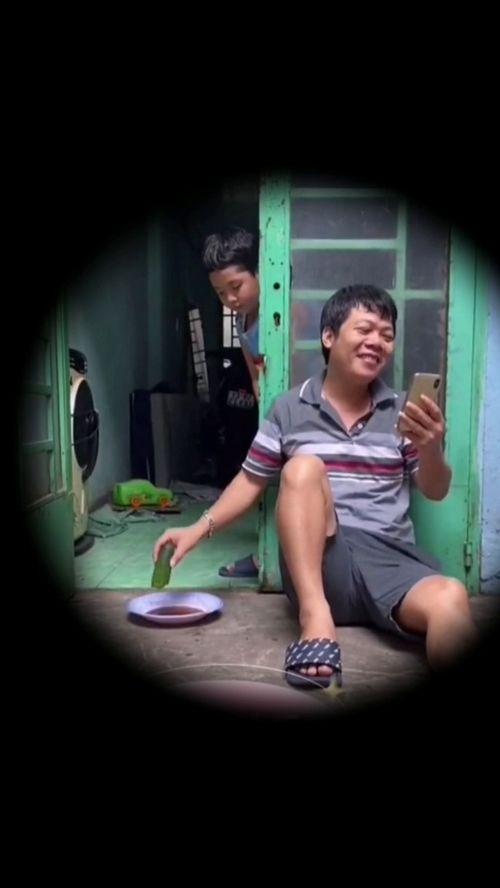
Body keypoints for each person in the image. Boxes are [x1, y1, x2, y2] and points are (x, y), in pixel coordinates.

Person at [153, 284, 478, 688]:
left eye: (387, 335)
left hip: (391, 560)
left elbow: (435, 489)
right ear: (328, 336)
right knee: (303, 468)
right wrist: (196, 528)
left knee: (450, 596)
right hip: (323, 563)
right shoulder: (289, 408)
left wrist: (430, 449)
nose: (377, 342)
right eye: (365, 329)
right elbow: (251, 481)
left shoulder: (403, 412)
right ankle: (315, 618)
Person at [202, 227, 261, 579]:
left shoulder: (285, 310)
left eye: (236, 286)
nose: (230, 299)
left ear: (259, 272)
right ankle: (266, 554)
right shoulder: (241, 321)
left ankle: (268, 557)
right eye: (220, 292)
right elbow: (254, 374)